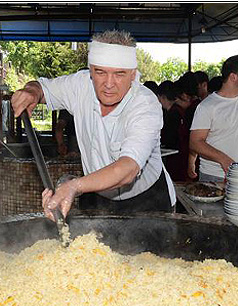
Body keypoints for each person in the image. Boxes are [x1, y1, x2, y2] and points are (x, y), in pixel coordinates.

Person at [11, 30, 176, 221]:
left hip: (147, 201)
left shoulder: (145, 104)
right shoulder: (80, 85)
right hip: (97, 197)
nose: (108, 84)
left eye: (119, 74)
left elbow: (128, 169)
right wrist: (31, 92)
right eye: (100, 72)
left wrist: (73, 186)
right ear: (91, 71)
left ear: (133, 74)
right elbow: (42, 88)